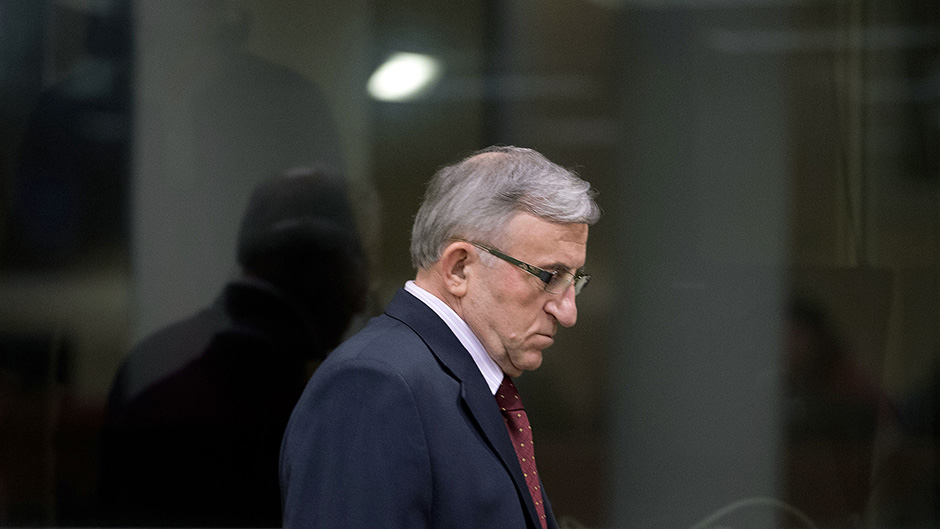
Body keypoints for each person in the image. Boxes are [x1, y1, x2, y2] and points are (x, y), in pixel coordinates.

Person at [280, 146, 600, 529]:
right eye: (550, 276)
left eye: (574, 281)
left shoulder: (460, 381)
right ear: (460, 268)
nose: (567, 312)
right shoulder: (372, 384)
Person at [99, 167, 368, 527]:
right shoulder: (288, 400)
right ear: (329, 268)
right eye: (358, 266)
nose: (362, 301)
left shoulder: (151, 361)